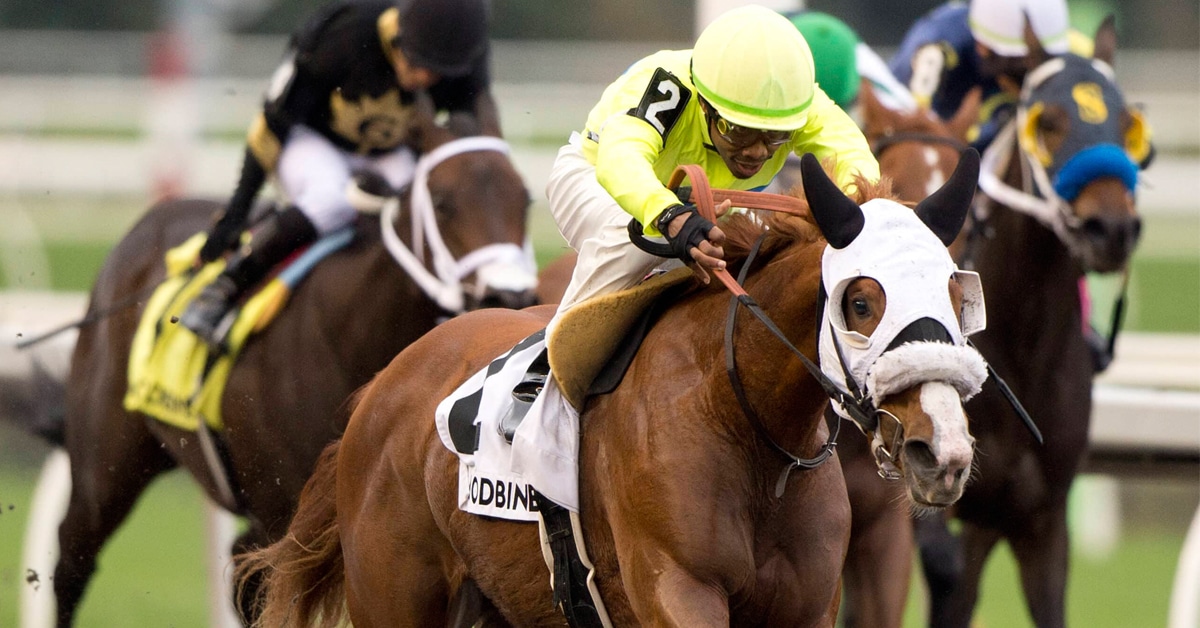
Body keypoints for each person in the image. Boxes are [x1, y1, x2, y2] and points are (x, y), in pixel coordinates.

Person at [514, 5, 880, 509]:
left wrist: (858, 216)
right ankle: (544, 383)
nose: (756, 152)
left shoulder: (799, 104)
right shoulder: (670, 86)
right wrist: (669, 216)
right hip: (599, 182)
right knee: (637, 242)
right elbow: (622, 159)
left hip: (695, 202)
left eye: (774, 138)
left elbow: (857, 162)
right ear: (705, 104)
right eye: (737, 132)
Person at [180, 0, 496, 347]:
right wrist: (235, 214)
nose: (423, 79)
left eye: (436, 73)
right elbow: (273, 125)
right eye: (417, 62)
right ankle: (226, 287)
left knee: (423, 209)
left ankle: (445, 308)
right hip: (311, 139)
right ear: (399, 34)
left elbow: (471, 138)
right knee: (333, 200)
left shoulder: (466, 54)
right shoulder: (345, 34)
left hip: (388, 152)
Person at [888, 0, 1070, 151]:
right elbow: (903, 137)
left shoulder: (1064, 50)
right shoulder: (936, 52)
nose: (1033, 72)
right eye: (1021, 65)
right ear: (983, 47)